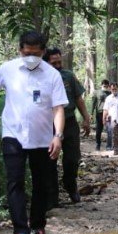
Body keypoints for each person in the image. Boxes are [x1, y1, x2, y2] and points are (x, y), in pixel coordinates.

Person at [0, 30, 66, 234]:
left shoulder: (52, 75)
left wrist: (57, 136)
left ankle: (38, 227)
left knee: (42, 184)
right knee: (15, 182)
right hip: (13, 135)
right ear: (20, 50)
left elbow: (58, 108)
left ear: (43, 52)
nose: (31, 57)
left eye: (36, 53)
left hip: (43, 138)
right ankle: (20, 231)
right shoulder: (7, 70)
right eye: (27, 52)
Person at [43, 47, 91, 205]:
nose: (57, 65)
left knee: (72, 159)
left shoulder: (68, 76)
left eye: (59, 61)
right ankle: (52, 196)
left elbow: (78, 99)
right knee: (49, 160)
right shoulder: (40, 78)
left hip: (69, 121)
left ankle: (70, 184)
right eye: (53, 62)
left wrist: (86, 118)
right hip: (47, 124)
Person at [91, 79, 111, 151]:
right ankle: (98, 144)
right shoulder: (96, 92)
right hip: (99, 113)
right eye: (104, 85)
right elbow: (93, 103)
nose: (105, 87)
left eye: (106, 85)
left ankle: (109, 145)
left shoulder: (110, 93)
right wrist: (91, 114)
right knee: (98, 130)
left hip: (108, 113)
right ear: (101, 85)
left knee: (109, 130)